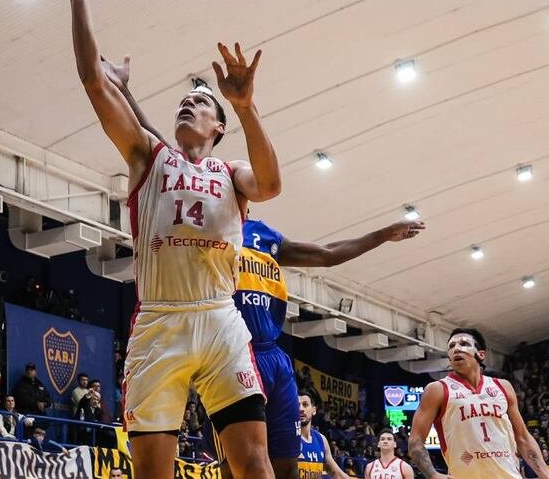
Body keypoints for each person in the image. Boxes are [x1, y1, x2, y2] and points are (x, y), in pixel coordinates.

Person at [98, 26, 425, 479]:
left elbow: (328, 252)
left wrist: (381, 233)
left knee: (276, 467)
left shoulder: (263, 231)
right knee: (234, 465)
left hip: (263, 352)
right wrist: (126, 93)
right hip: (205, 328)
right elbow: (165, 151)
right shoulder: (186, 192)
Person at [46, 0, 281, 479]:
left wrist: (246, 107)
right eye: (185, 99)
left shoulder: (231, 175)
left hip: (221, 320)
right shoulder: (148, 158)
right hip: (160, 322)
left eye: (201, 101)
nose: (188, 102)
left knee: (253, 464)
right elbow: (91, 81)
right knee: (151, 471)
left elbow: (270, 184)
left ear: (217, 127)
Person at [408, 328, 549, 479]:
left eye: (464, 344)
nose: (456, 349)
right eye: (451, 346)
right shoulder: (437, 389)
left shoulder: (503, 386)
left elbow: (523, 437)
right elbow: (415, 441)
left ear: (481, 354)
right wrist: (433, 474)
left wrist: (546, 475)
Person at [297, 392, 350, 479]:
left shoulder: (321, 440)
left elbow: (337, 473)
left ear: (314, 410)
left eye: (305, 405)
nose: (300, 409)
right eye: (297, 405)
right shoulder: (287, 438)